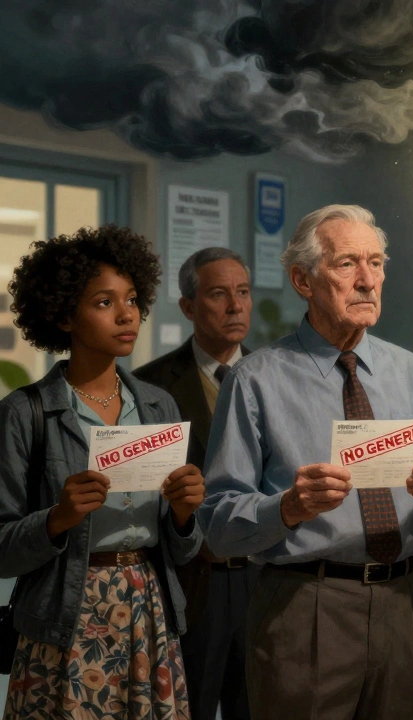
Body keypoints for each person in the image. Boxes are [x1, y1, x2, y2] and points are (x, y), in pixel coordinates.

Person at [198, 204, 413, 720]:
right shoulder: (255, 380)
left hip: (405, 601)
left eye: (377, 262)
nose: (368, 280)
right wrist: (287, 507)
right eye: (347, 264)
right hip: (305, 603)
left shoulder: (412, 374)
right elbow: (217, 526)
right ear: (303, 279)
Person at [0, 225, 205, 718]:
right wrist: (57, 518)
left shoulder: (158, 405)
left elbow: (184, 547)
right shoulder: (25, 412)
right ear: (64, 314)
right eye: (104, 302)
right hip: (64, 615)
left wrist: (184, 515)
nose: (126, 313)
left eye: (132, 299)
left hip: (150, 608)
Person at [134, 246, 255, 720]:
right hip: (192, 580)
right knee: (192, 706)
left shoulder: (275, 376)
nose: (235, 306)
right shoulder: (151, 387)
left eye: (242, 293)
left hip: (265, 576)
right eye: (219, 294)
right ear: (187, 306)